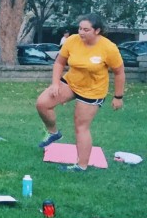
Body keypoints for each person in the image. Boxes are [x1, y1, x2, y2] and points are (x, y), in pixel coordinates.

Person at [36, 14, 125, 172]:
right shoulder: (72, 40)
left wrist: (118, 97)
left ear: (97, 31)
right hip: (71, 82)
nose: (81, 32)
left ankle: (81, 165)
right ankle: (53, 133)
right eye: (80, 28)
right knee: (42, 103)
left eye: (86, 29)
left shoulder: (109, 48)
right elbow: (59, 62)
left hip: (92, 91)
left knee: (81, 126)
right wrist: (55, 84)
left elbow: (119, 73)